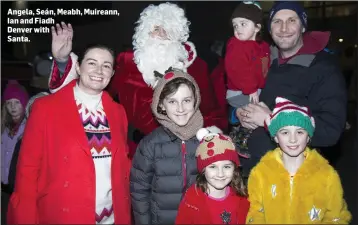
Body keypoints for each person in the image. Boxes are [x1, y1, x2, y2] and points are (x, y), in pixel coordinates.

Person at [47, 3, 227, 157]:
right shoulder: (127, 63)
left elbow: (211, 111)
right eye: (156, 29)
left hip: (187, 151)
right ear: (144, 32)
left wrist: (209, 138)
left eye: (167, 30)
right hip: (138, 152)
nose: (161, 34)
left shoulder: (196, 66)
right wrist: (63, 62)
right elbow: (90, 92)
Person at [7, 43, 131, 224]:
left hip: (111, 216)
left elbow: (122, 166)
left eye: (106, 66)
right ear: (79, 68)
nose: (99, 70)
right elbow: (28, 170)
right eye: (92, 63)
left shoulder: (118, 112)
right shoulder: (46, 108)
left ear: (111, 74)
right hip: (65, 215)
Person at [231, 1, 347, 177]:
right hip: (251, 174)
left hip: (295, 180)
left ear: (303, 26)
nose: (283, 28)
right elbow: (238, 95)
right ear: (269, 28)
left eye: (291, 20)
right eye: (277, 21)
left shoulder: (323, 68)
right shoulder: (262, 59)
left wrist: (270, 120)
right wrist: (239, 113)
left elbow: (330, 131)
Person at [130, 69, 220, 224]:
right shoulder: (151, 144)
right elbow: (139, 191)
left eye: (186, 100)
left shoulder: (207, 140)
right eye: (172, 101)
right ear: (161, 105)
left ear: (196, 100)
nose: (180, 109)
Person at [246, 97, 352, 224]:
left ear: (308, 137)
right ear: (275, 137)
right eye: (285, 132)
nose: (293, 139)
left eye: (300, 132)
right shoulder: (261, 173)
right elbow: (255, 212)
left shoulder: (327, 175)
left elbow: (337, 216)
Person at [175, 128, 249, 224]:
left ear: (234, 169)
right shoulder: (191, 202)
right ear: (203, 170)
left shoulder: (242, 198)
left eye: (226, 167)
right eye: (213, 167)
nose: (220, 174)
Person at [225, 1, 270, 107]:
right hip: (240, 92)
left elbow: (264, 67)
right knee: (256, 114)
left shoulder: (263, 46)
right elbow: (238, 69)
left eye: (243, 24)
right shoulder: (237, 46)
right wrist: (251, 89)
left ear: (257, 27)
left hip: (255, 90)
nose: (238, 28)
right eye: (235, 26)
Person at [1, 80, 29, 191]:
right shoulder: (2, 128)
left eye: (17, 102)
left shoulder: (30, 128)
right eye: (9, 102)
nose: (13, 106)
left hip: (20, 187)